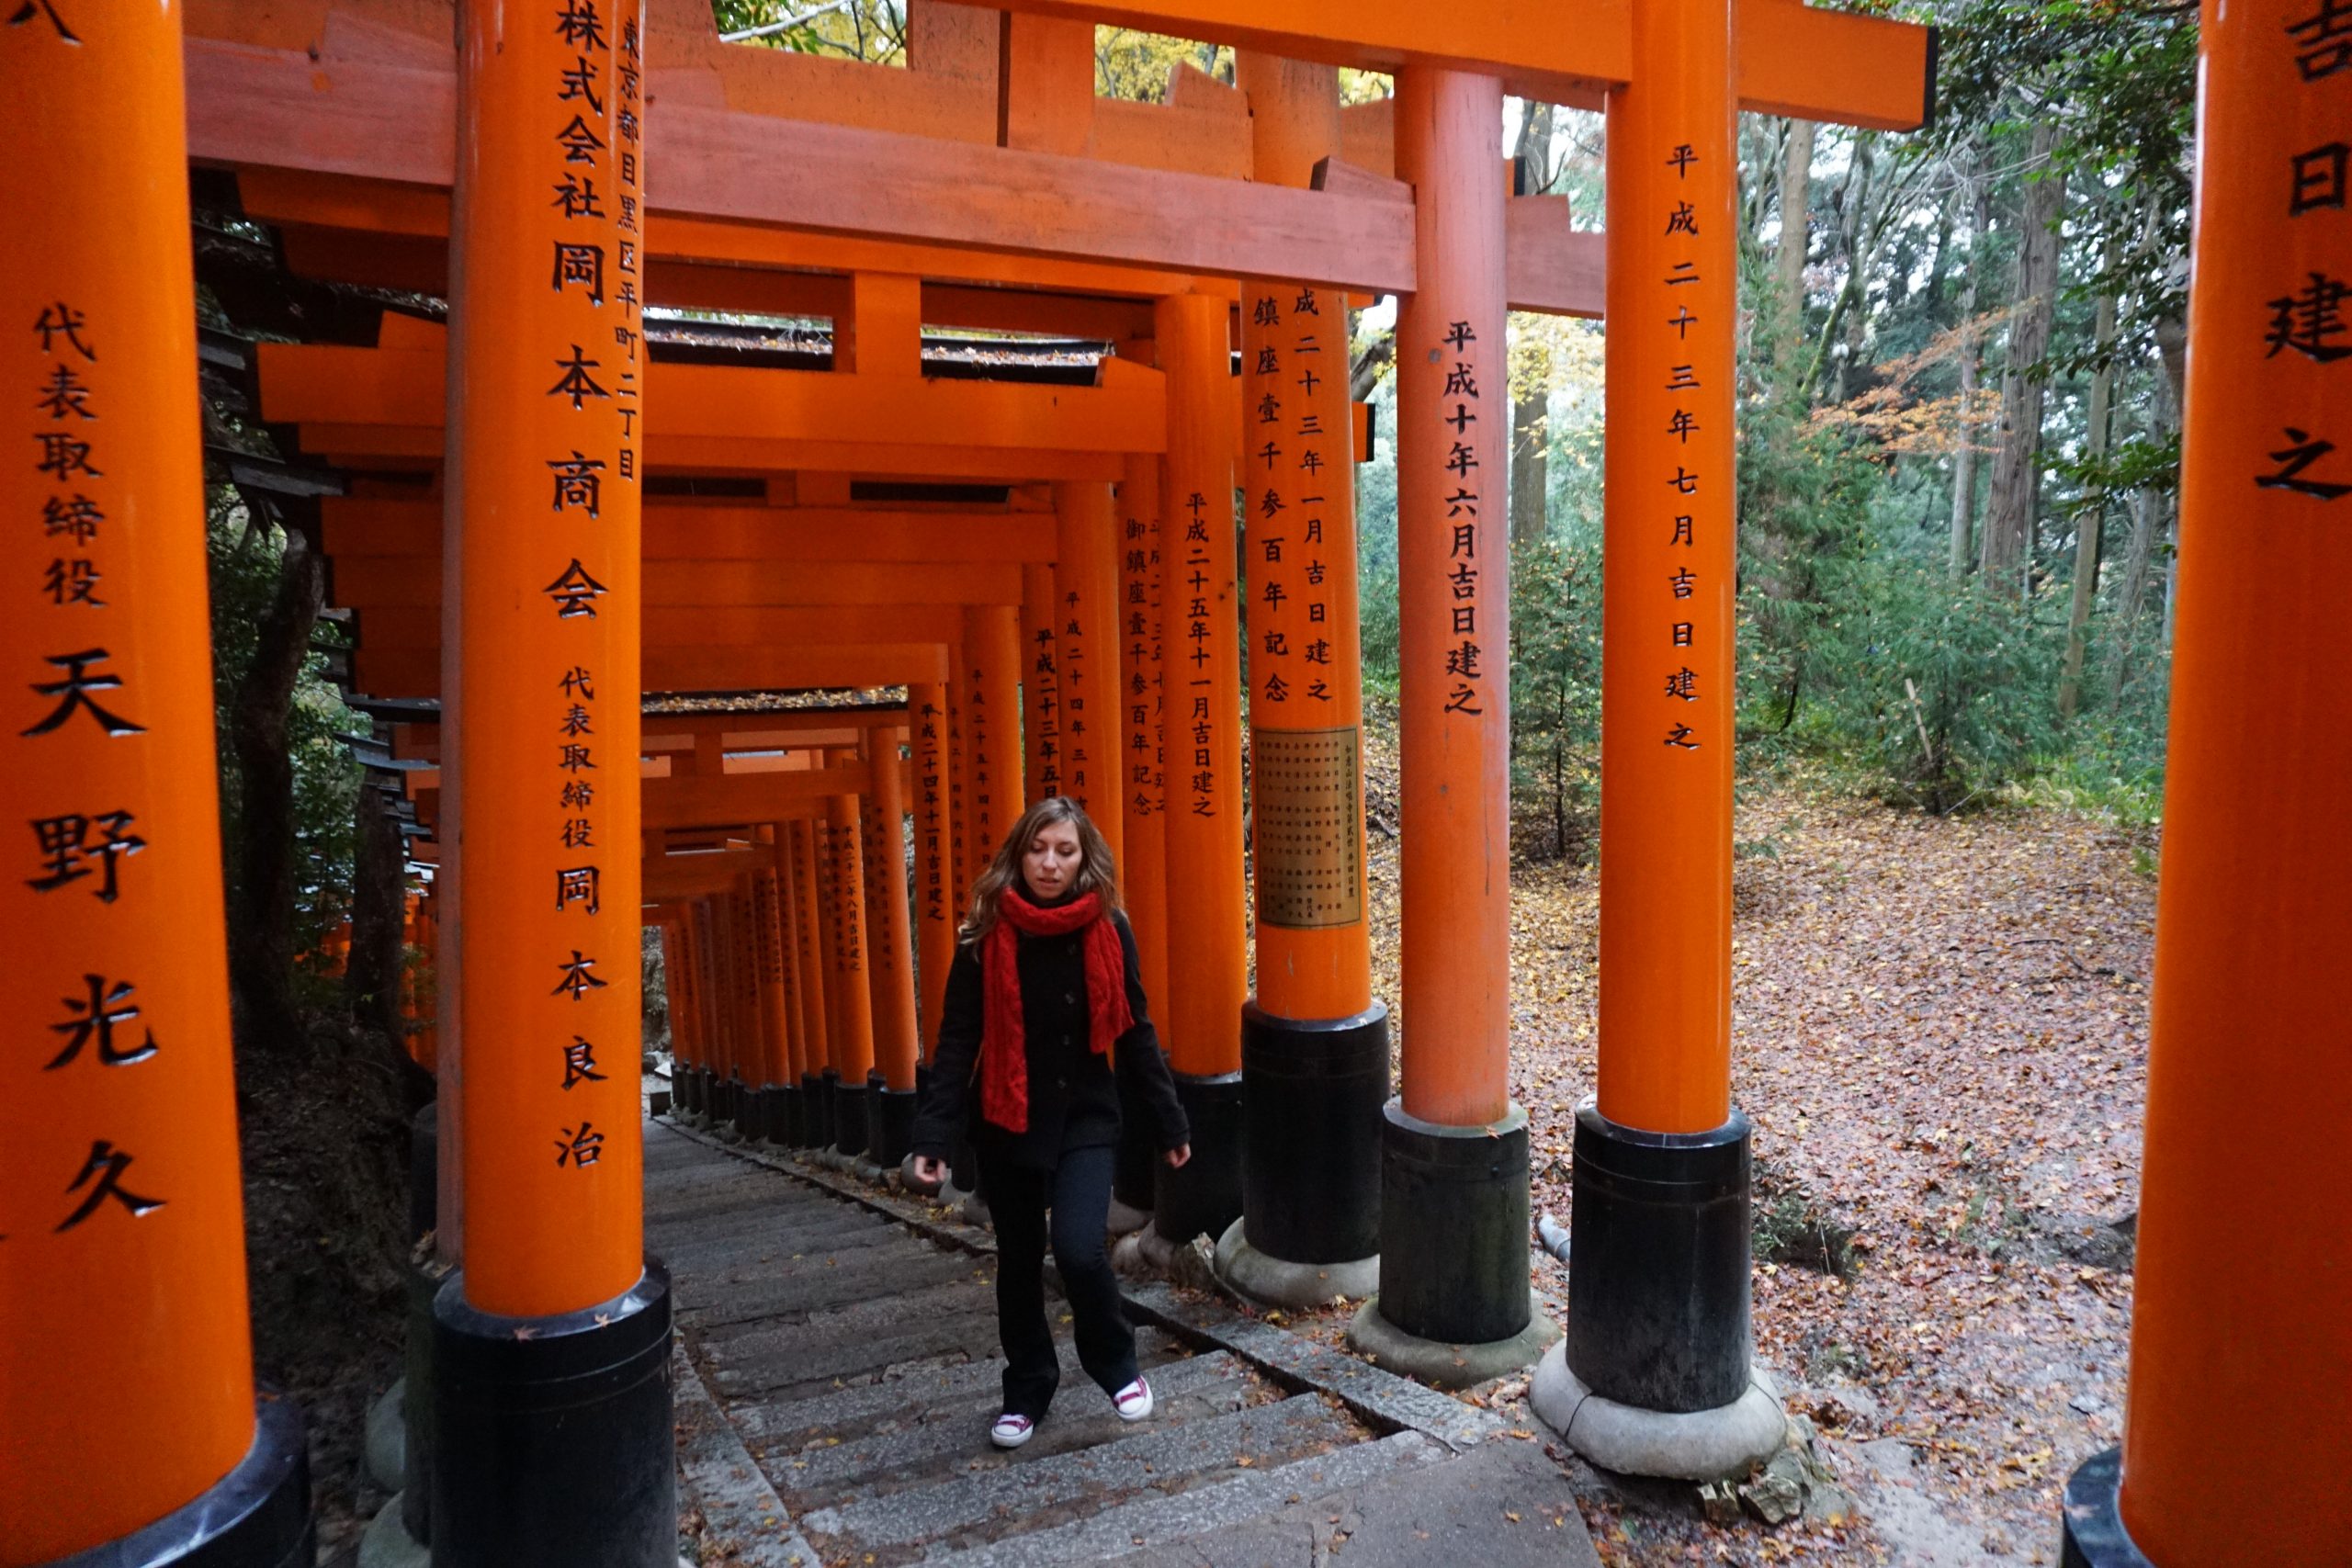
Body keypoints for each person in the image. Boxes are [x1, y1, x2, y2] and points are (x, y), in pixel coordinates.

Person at [910, 795, 1191, 1450]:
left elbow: (1137, 1031)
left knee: (1076, 1247)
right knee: (1017, 1261)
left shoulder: (1108, 928)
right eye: (1038, 848)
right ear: (1018, 853)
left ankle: (1114, 1361)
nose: (1049, 862)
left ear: (1083, 858)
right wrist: (933, 1137)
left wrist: (1170, 1124)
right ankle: (1028, 1386)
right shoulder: (985, 933)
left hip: (1087, 1115)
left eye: (1064, 850)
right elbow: (957, 1041)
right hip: (1006, 1120)